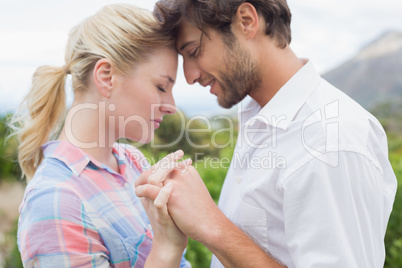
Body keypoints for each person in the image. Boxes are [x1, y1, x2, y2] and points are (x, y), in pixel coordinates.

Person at [136, 0, 398, 267]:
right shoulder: (258, 117)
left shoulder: (331, 140)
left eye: (194, 51)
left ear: (247, 21)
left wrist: (210, 224)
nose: (190, 76)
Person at [10, 4, 191, 267]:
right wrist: (167, 246)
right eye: (161, 86)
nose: (171, 105)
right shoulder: (55, 201)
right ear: (106, 77)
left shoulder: (133, 162)